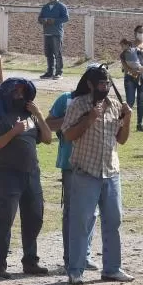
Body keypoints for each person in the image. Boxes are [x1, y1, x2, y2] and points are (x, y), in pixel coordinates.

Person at [61, 64, 134, 285]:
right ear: (91, 84)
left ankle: (112, 268)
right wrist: (89, 119)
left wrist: (128, 119)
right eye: (101, 84)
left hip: (111, 172)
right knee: (81, 223)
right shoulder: (77, 104)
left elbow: (121, 139)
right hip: (85, 171)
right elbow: (68, 136)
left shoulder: (114, 106)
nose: (106, 87)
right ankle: (75, 270)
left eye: (108, 83)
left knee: (113, 221)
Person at [0, 77, 52, 278]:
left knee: (34, 218)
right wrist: (13, 132)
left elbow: (48, 138)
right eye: (16, 92)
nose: (20, 96)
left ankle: (30, 261)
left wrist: (39, 114)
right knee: (4, 219)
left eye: (23, 92)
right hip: (8, 174)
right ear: (8, 94)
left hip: (31, 174)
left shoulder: (30, 116)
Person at [47, 72, 99, 273]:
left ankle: (84, 255)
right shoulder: (66, 100)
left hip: (95, 163)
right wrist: (74, 119)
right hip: (71, 163)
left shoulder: (103, 103)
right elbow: (49, 123)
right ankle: (70, 258)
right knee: (71, 212)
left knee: (91, 212)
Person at [121, 25, 143, 132]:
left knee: (141, 100)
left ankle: (140, 124)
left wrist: (142, 69)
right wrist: (130, 71)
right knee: (130, 101)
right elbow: (122, 58)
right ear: (135, 33)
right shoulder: (129, 45)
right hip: (130, 77)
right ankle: (123, 123)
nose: (142, 34)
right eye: (140, 32)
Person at [37, 0, 68, 79]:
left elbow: (66, 18)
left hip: (56, 33)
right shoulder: (45, 7)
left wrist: (54, 21)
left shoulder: (62, 6)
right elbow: (39, 18)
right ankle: (50, 72)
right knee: (48, 53)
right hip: (47, 32)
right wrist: (43, 20)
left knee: (57, 53)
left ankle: (58, 72)